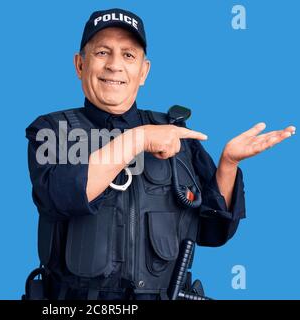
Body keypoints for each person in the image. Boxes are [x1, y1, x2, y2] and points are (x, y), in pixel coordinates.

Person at [24, 8, 295, 300]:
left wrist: (228, 165)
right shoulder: (52, 130)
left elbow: (212, 232)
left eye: (129, 55)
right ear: (80, 64)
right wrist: (137, 139)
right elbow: (60, 197)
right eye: (103, 52)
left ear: (144, 71)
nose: (115, 65)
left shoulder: (173, 131)